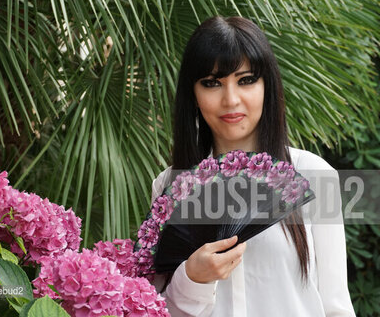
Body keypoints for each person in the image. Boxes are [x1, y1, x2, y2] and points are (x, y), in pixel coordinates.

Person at [150, 16, 355, 316]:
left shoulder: (313, 174)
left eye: (246, 80)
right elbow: (156, 309)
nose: (231, 100)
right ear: (193, 94)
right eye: (212, 83)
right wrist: (193, 278)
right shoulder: (169, 184)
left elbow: (335, 306)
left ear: (266, 86)